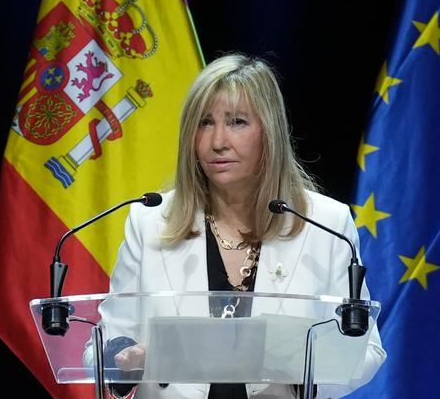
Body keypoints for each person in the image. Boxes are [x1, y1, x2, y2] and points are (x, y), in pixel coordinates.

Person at [98, 54, 385, 399]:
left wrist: (301, 367)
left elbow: (366, 350)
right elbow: (106, 342)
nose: (218, 141)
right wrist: (124, 360)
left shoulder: (326, 224)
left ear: (269, 131)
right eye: (205, 123)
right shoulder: (149, 223)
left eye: (236, 122)